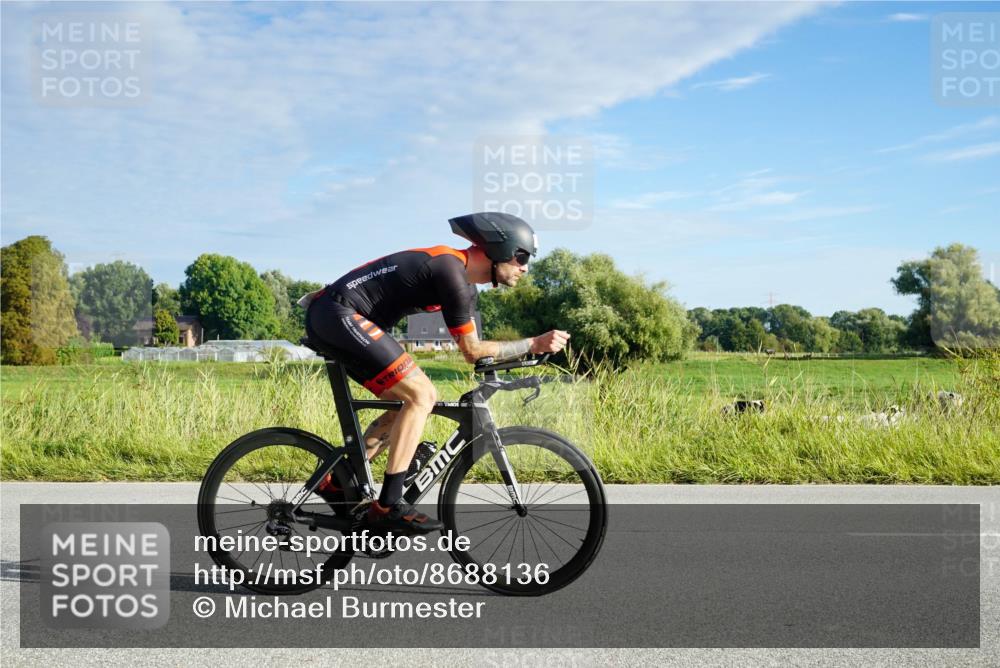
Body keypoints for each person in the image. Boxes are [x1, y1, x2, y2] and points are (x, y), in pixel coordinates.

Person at [300, 212, 570, 534]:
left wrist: (523, 357)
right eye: (521, 256)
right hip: (337, 313)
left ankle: (335, 482)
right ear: (498, 249)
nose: (525, 267)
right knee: (422, 395)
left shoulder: (465, 288)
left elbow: (476, 352)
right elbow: (472, 350)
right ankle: (388, 506)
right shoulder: (449, 269)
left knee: (406, 403)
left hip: (340, 320)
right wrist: (532, 343)